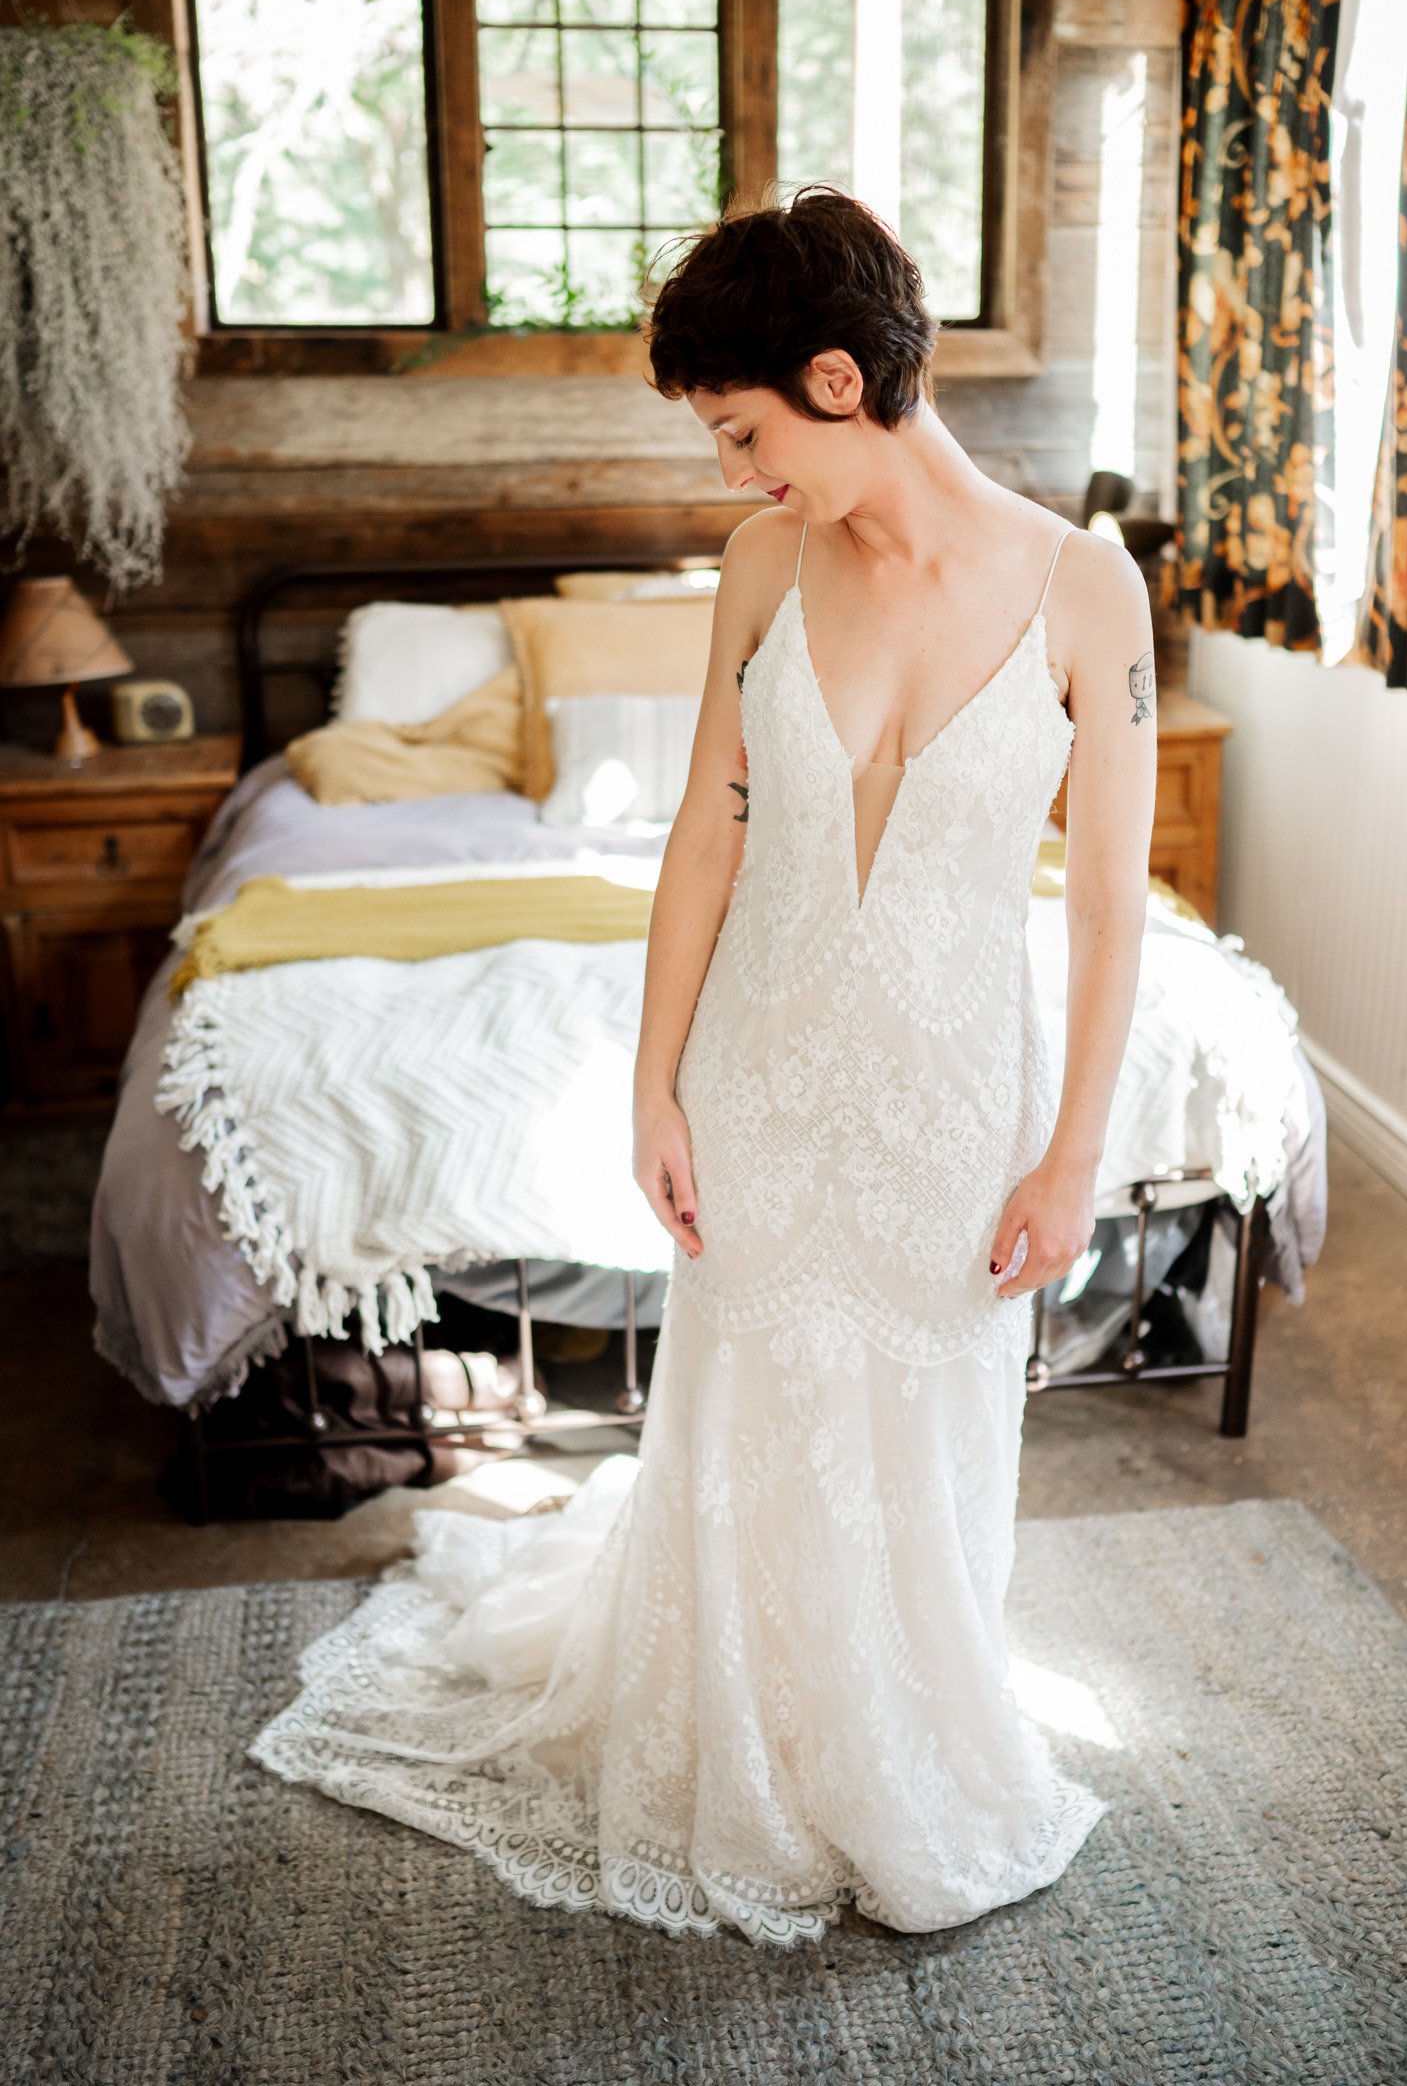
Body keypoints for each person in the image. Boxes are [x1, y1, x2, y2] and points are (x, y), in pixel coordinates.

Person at [250, 187, 1157, 1948]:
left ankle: (899, 1744)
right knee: (753, 1420)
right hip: (764, 1071)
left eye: (746, 434)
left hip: (954, 1097)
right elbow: (705, 845)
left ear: (840, 377)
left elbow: (1116, 909)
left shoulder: (1085, 587)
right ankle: (752, 1758)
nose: (739, 475)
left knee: (925, 1421)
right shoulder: (760, 567)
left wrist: (1072, 1159)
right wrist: (653, 1083)